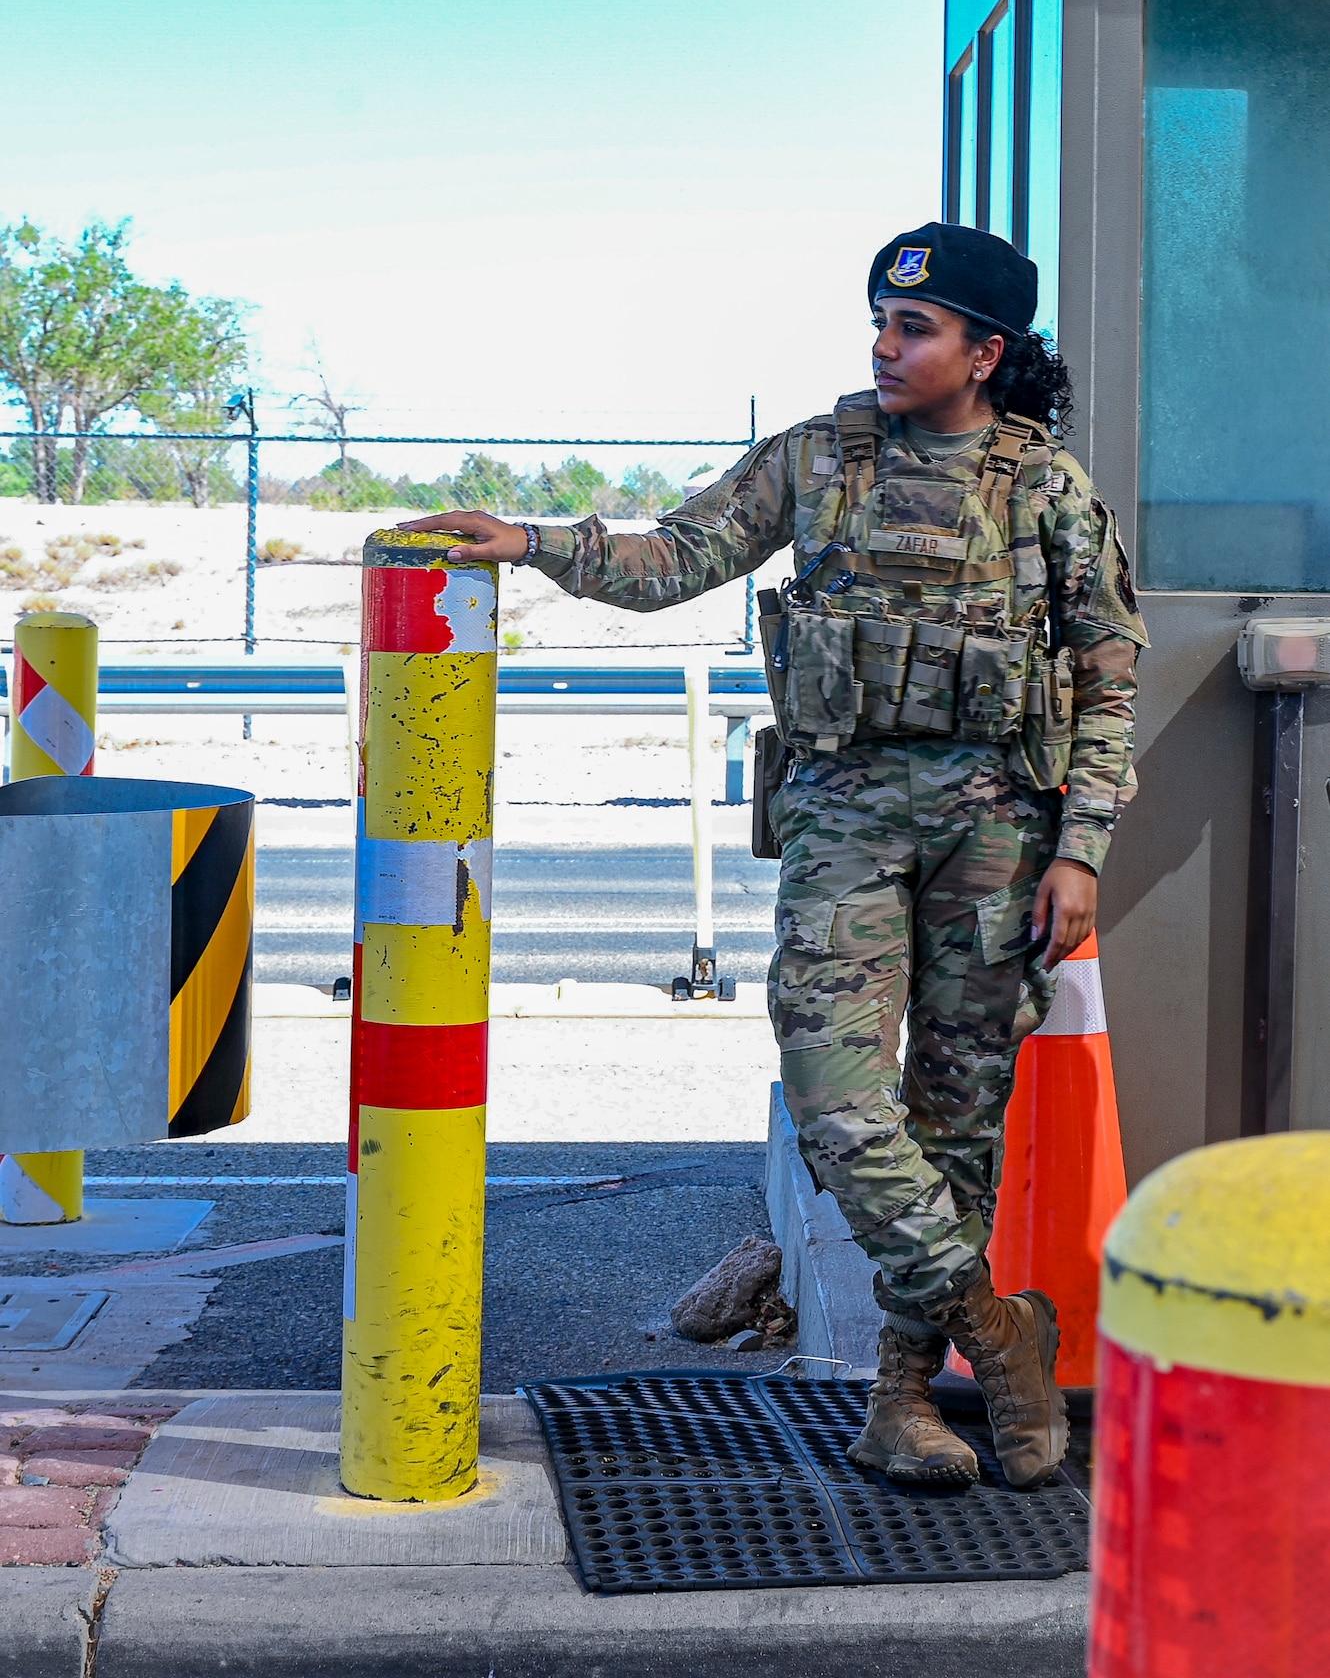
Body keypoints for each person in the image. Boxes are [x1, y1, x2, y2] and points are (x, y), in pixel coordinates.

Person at [400, 222, 1146, 1491]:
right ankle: (1001, 1333)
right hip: (843, 822)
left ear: (985, 349)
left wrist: (1079, 851)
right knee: (839, 1098)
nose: (885, 343)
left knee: (954, 1127)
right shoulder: (818, 457)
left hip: (998, 842)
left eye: (915, 327)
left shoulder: (1045, 489)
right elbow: (673, 556)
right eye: (880, 320)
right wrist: (534, 543)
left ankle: (901, 1401)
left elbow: (1109, 679)